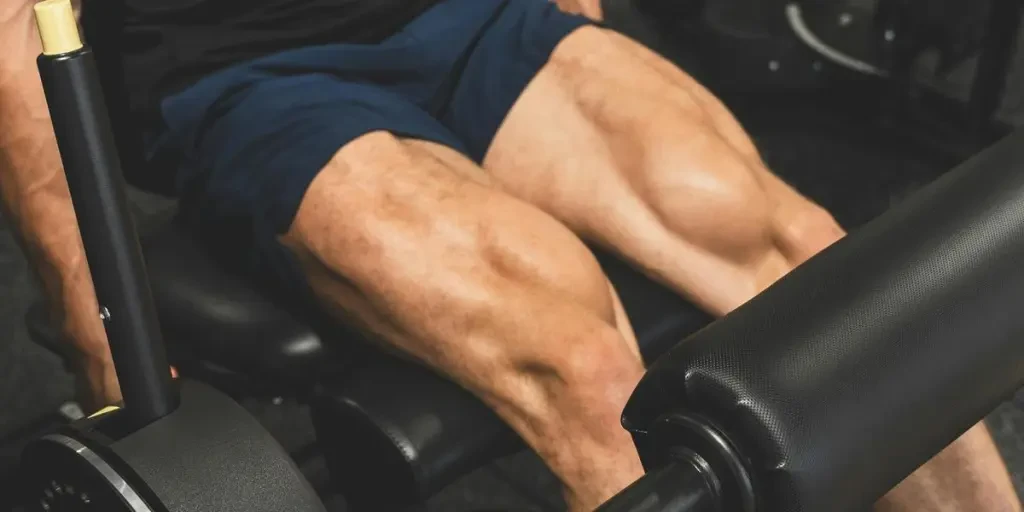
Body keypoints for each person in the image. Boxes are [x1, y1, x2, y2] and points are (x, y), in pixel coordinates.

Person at [0, 0, 1018, 509]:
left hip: (470, 18)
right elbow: (17, 38)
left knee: (802, 252)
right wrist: (108, 341)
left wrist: (571, 33)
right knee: (576, 353)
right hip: (243, 74)